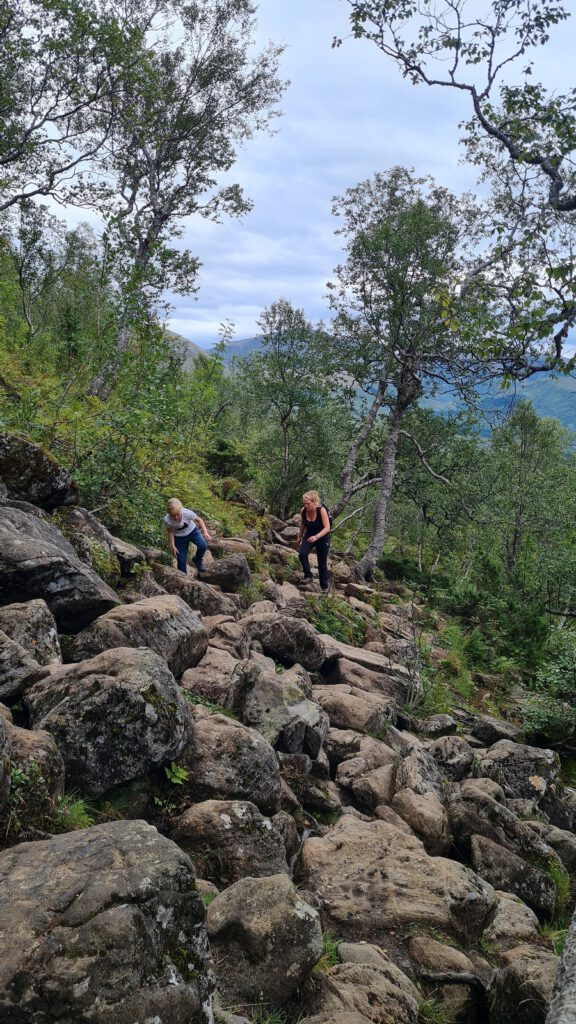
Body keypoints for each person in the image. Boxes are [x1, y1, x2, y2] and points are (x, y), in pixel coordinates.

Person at [164, 498, 211, 575]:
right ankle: (183, 576)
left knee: (203, 545)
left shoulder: (187, 513)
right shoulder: (167, 520)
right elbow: (170, 531)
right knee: (181, 559)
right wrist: (173, 546)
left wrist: (205, 532)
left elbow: (199, 520)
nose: (176, 517)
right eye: (173, 515)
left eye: (178, 514)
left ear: (181, 510)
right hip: (179, 537)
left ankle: (197, 560)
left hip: (193, 532)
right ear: (169, 513)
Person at [297, 490, 331, 593]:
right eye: (304, 503)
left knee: (322, 563)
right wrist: (299, 536)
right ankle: (308, 575)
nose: (306, 505)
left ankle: (324, 587)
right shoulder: (303, 510)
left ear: (314, 501)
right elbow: (303, 524)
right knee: (302, 554)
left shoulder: (321, 510)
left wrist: (316, 537)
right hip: (310, 534)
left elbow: (327, 528)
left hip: (322, 536)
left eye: (308, 503)